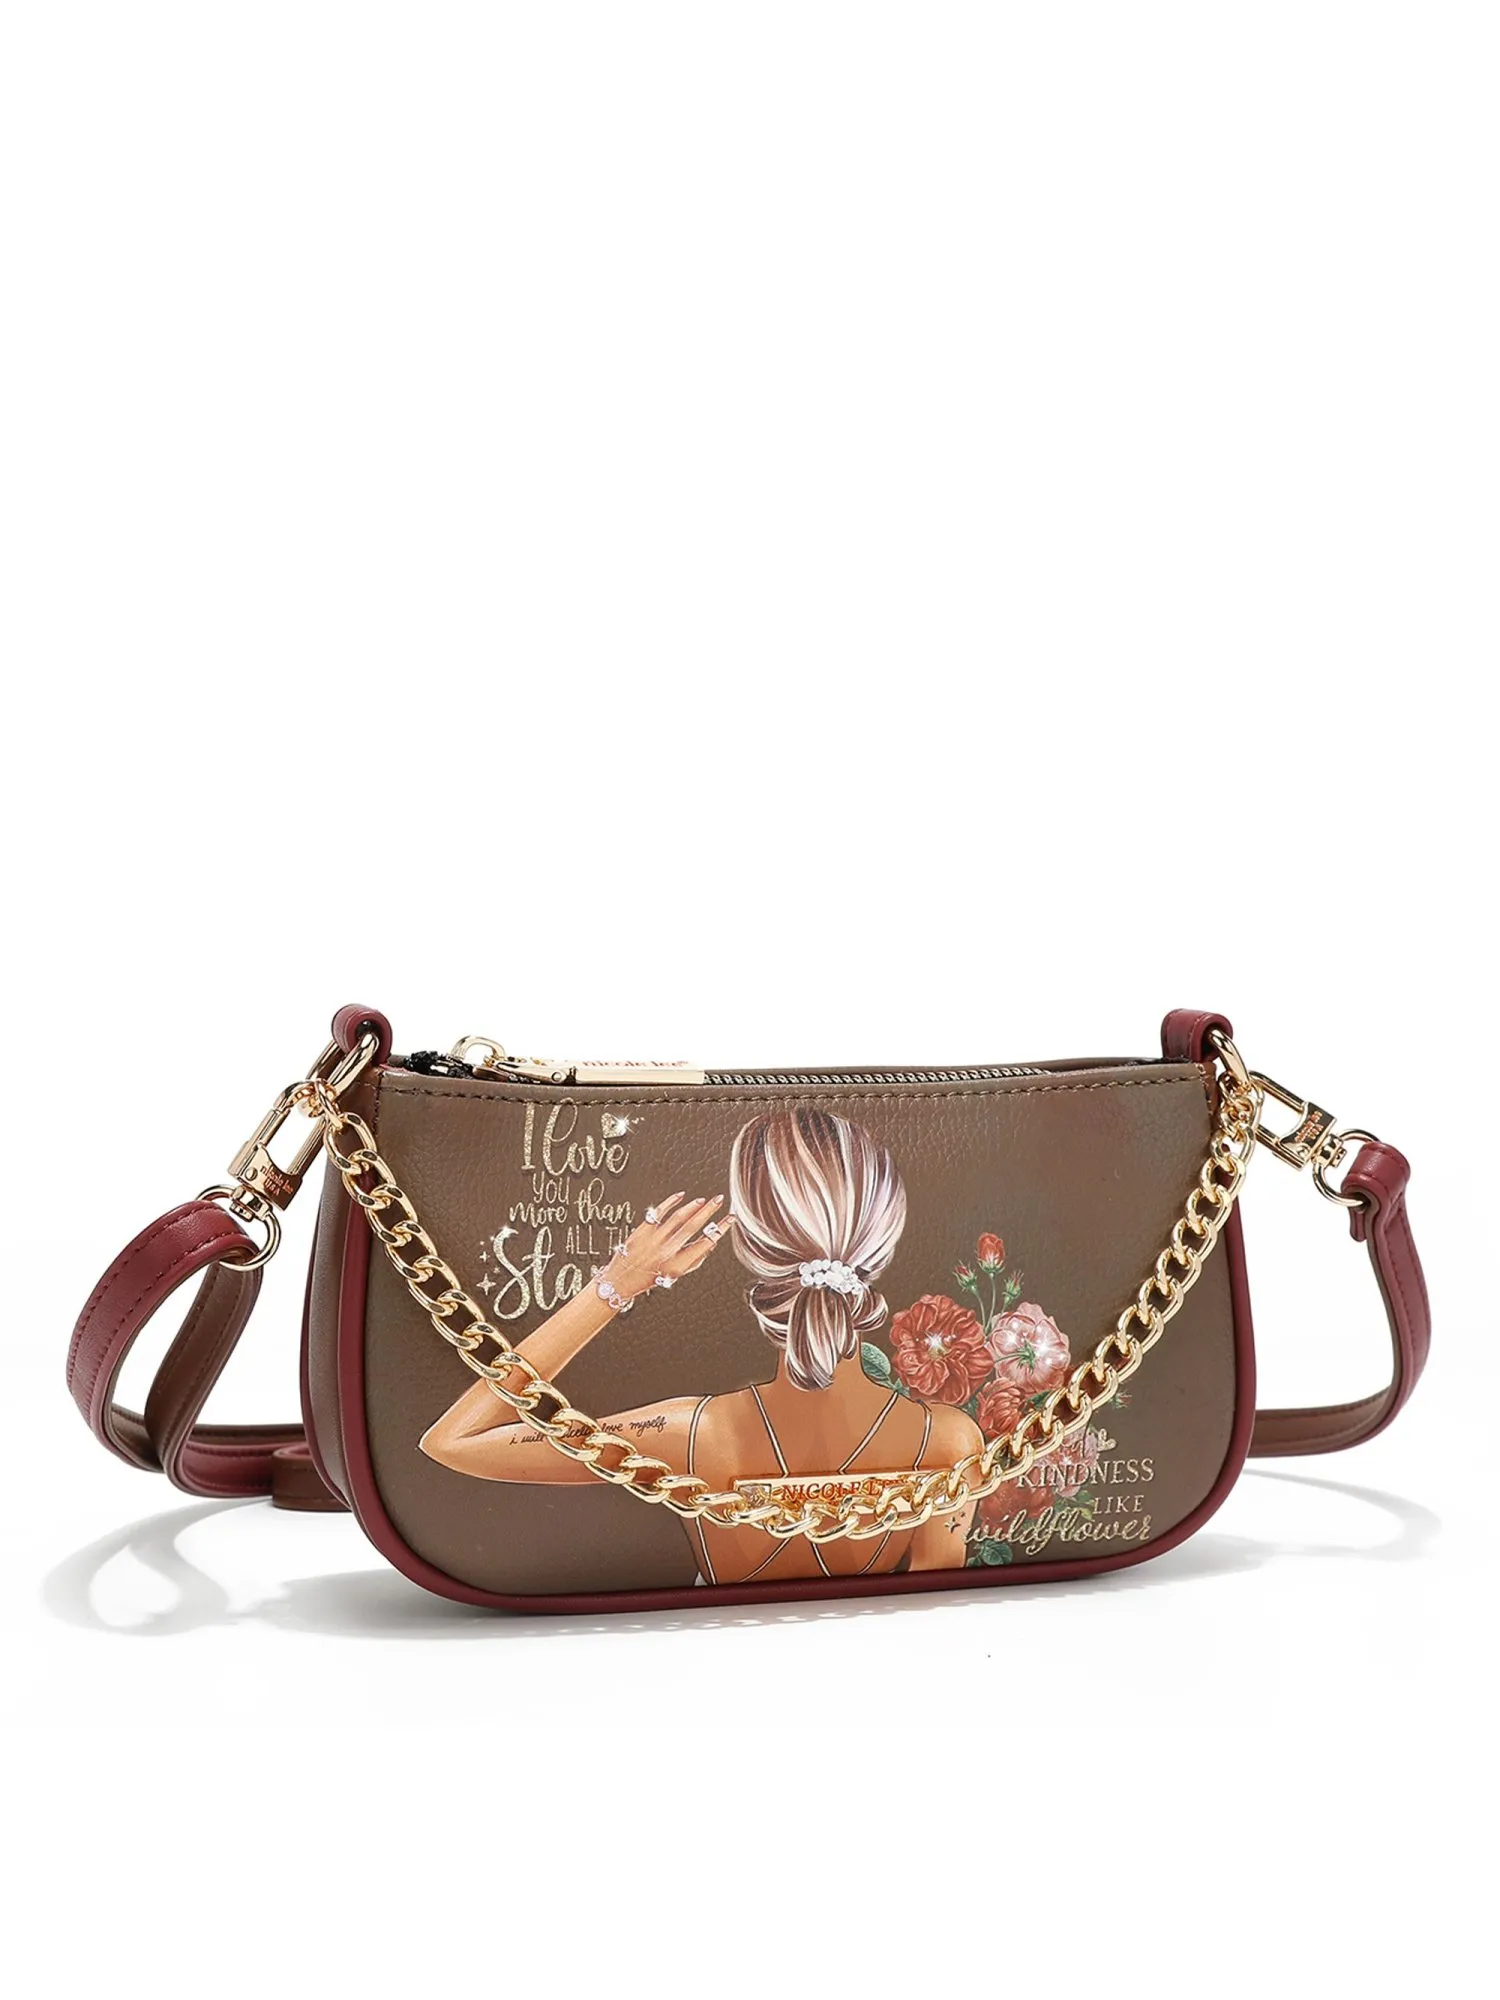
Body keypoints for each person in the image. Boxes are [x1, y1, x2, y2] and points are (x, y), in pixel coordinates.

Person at [419, 1107, 980, 1582]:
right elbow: (933, 1604)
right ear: (883, 1240)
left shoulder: (692, 1435)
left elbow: (454, 1441)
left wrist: (615, 1285)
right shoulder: (948, 1440)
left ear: (752, 1248)